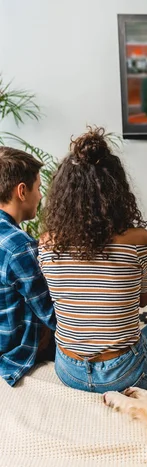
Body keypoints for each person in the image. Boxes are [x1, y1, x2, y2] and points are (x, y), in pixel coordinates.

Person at [39, 127, 147, 393]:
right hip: (125, 373)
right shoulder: (138, 240)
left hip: (68, 369)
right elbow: (144, 300)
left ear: (63, 196)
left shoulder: (47, 243)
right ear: (116, 191)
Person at [0, 147, 56, 386]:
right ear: (22, 191)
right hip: (12, 352)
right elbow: (54, 318)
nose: (41, 196)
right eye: (39, 187)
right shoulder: (19, 247)